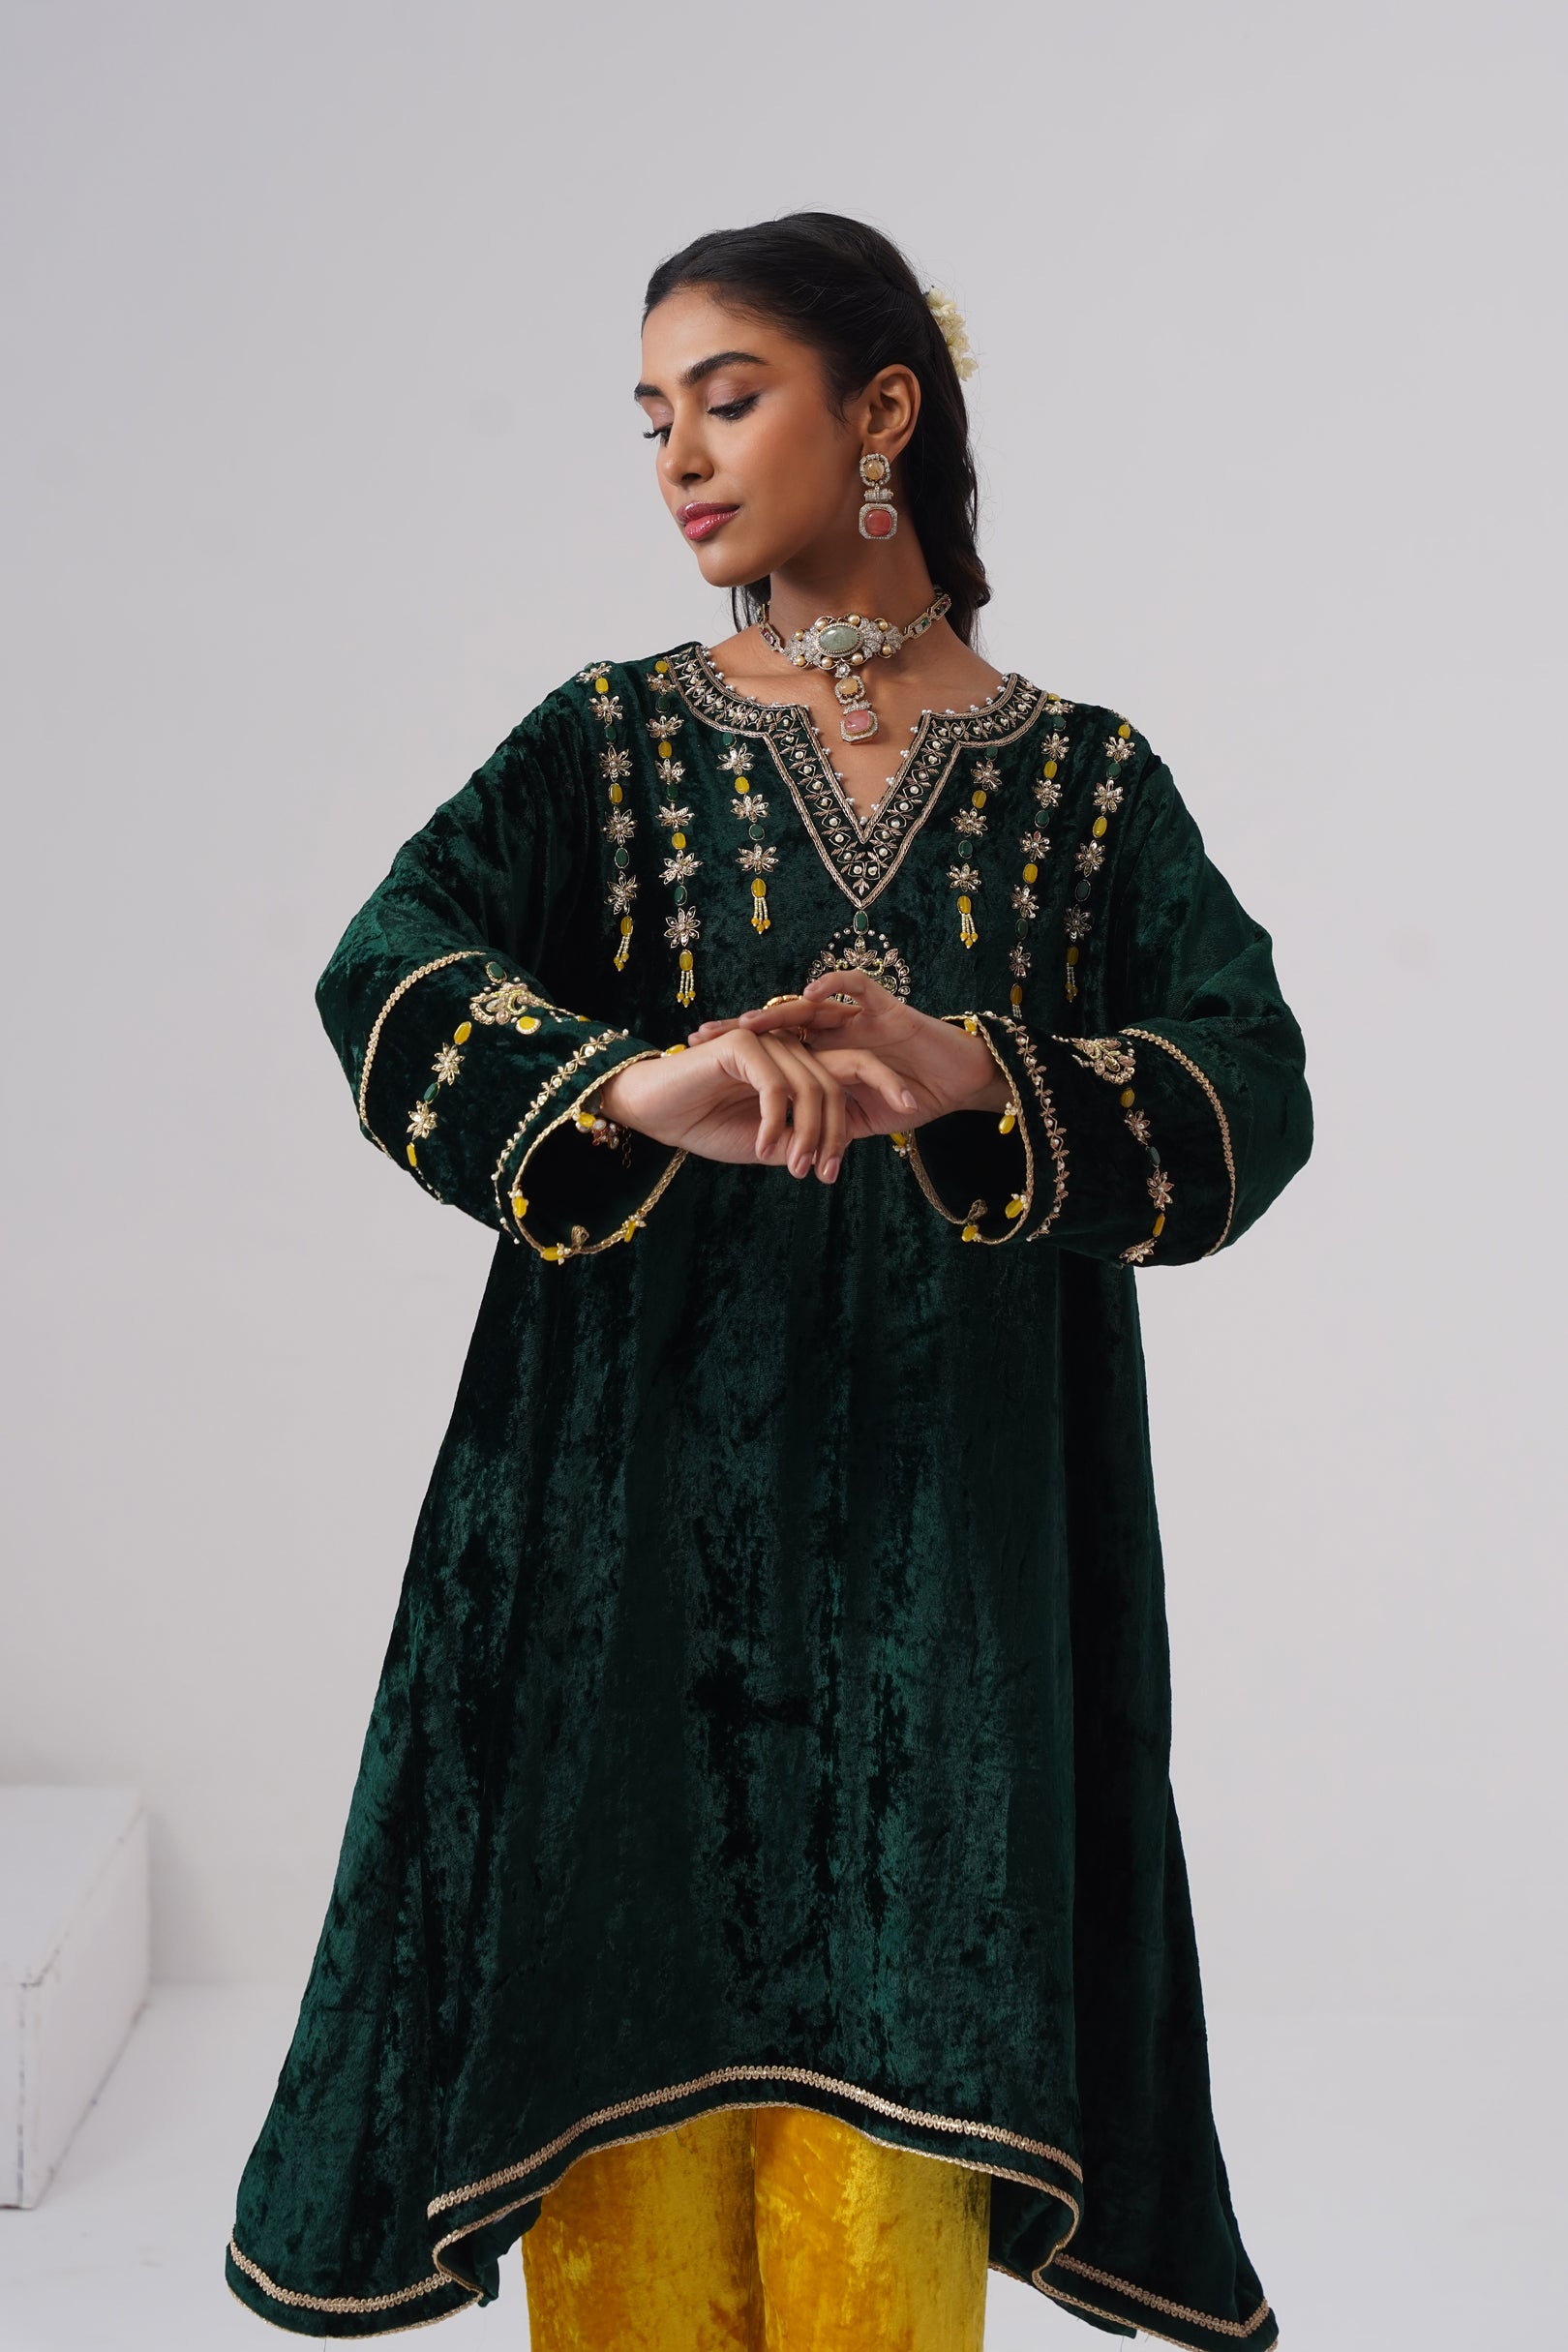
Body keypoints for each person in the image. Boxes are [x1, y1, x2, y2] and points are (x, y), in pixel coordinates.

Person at [225, 212, 1311, 2349]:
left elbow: (1249, 1089)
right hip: (621, 1553)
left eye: (727, 399)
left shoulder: (1084, 789)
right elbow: (385, 966)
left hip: (947, 1580)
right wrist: (637, 1088)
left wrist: (977, 1075)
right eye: (652, 419)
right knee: (616, 2099)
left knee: (891, 2162)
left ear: (882, 409)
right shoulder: (608, 748)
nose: (681, 461)